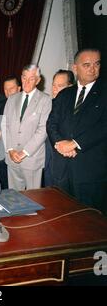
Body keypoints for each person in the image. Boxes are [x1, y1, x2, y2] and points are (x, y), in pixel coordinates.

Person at [47, 48, 107, 215]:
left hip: (90, 172)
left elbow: (103, 127)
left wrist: (74, 144)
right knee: (63, 218)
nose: (92, 69)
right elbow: (51, 123)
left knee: (90, 222)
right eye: (86, 65)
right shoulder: (64, 94)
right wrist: (60, 144)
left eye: (97, 64)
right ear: (75, 68)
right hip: (62, 170)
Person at [3, 64, 52, 190]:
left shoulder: (45, 100)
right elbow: (5, 125)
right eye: (24, 78)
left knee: (34, 198)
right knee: (14, 198)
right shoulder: (12, 99)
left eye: (31, 78)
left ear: (38, 80)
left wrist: (24, 152)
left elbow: (43, 130)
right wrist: (10, 149)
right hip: (12, 157)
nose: (27, 82)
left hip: (32, 159)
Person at [43, 69, 75, 187]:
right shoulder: (47, 104)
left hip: (64, 162)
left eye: (60, 86)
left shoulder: (76, 108)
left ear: (70, 87)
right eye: (53, 85)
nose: (55, 89)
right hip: (47, 162)